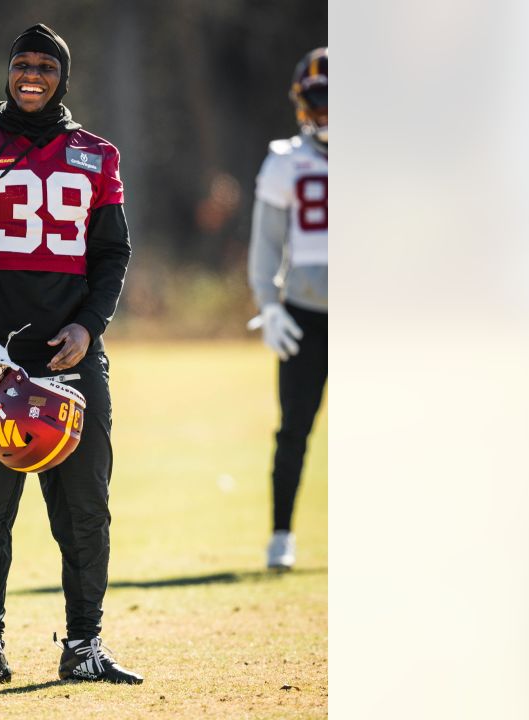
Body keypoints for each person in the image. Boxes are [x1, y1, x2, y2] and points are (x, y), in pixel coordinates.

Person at [0, 23, 142, 686]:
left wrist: (90, 326)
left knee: (86, 510)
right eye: (21, 65)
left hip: (73, 356)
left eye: (45, 67)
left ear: (62, 76)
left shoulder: (97, 154)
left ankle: (85, 643)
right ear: (7, 72)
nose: (31, 76)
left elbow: (112, 253)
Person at [248, 48, 328, 570]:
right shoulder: (285, 161)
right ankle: (281, 534)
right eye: (319, 99)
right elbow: (265, 245)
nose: (327, 110)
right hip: (306, 310)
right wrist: (270, 307)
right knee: (294, 427)